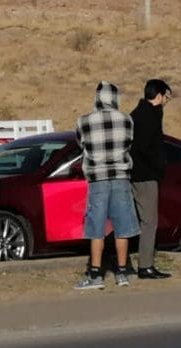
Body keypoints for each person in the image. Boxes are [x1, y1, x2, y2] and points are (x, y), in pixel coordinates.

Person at [74, 81, 141, 289]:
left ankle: (95, 274)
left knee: (96, 228)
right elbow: (130, 143)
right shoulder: (127, 120)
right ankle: (122, 273)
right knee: (122, 227)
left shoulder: (84, 121)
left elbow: (80, 143)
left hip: (97, 178)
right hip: (121, 177)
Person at [130, 79, 173, 279]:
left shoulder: (137, 114)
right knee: (149, 222)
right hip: (146, 175)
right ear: (159, 95)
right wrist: (159, 165)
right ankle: (145, 265)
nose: (166, 101)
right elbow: (147, 148)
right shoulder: (151, 116)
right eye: (167, 97)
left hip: (136, 173)